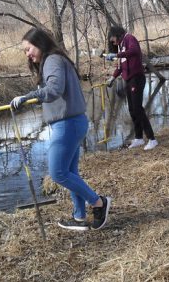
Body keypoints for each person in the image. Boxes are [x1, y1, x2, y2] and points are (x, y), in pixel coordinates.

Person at [10, 27, 111, 231]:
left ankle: (99, 202)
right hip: (72, 123)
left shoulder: (53, 60)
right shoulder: (54, 60)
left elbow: (55, 90)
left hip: (68, 124)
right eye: (25, 51)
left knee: (57, 173)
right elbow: (54, 91)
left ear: (40, 44)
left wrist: (27, 97)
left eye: (29, 49)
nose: (27, 54)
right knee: (70, 172)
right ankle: (79, 216)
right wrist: (38, 95)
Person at [105, 26, 158, 151]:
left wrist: (117, 54)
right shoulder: (120, 45)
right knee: (132, 109)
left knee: (138, 109)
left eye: (112, 39)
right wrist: (112, 78)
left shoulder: (129, 39)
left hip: (137, 78)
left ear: (116, 34)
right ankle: (139, 138)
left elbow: (134, 51)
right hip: (128, 80)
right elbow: (120, 67)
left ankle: (152, 139)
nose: (112, 42)